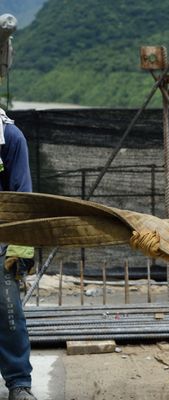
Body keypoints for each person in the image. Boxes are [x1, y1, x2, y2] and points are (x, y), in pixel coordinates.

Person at [0, 108, 37, 400]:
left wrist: (20, 249)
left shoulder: (10, 137)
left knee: (7, 307)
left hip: (1, 237)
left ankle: (18, 383)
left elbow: (23, 195)